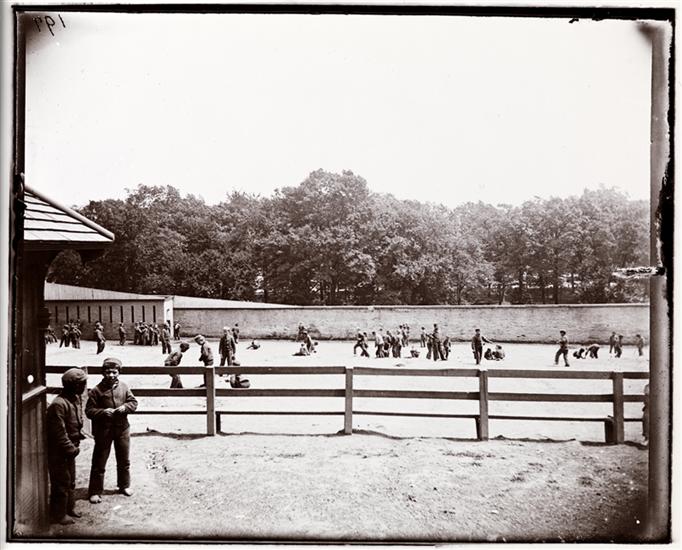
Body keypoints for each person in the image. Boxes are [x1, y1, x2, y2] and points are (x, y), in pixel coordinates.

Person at [86, 357, 138, 503]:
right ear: (103, 373)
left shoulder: (124, 387)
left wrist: (125, 407)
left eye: (114, 372)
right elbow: (89, 411)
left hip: (122, 430)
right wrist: (103, 412)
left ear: (119, 372)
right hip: (104, 431)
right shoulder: (96, 391)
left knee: (124, 460)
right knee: (99, 462)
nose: (111, 375)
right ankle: (95, 491)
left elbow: (133, 402)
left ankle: (124, 485)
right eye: (108, 372)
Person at [46, 367, 88, 524]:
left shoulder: (74, 398)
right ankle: (59, 514)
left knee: (71, 481)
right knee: (61, 483)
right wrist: (71, 449)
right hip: (59, 452)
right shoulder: (59, 404)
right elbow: (59, 433)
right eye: (82, 383)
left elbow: (75, 420)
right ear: (73, 385)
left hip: (70, 449)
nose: (84, 386)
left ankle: (70, 508)